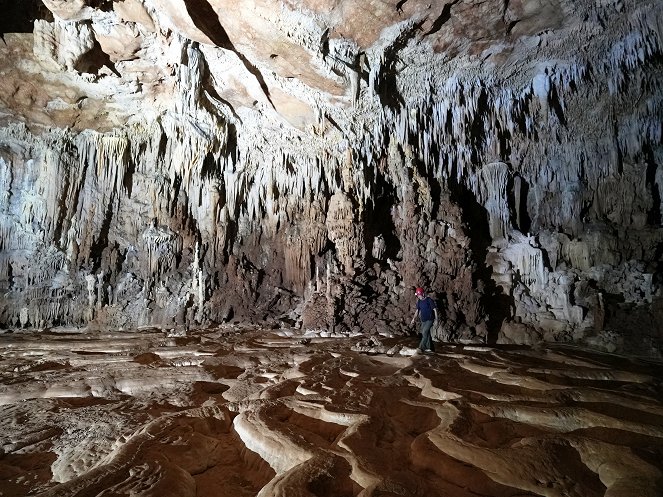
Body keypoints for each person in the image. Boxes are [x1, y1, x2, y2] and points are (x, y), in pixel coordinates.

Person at [410, 287, 438, 353]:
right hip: (423, 320)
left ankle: (421, 347)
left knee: (425, 332)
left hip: (430, 319)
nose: (419, 297)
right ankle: (431, 348)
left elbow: (434, 309)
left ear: (423, 294)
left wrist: (436, 319)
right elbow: (417, 311)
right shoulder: (419, 301)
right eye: (418, 296)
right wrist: (413, 319)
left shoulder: (429, 300)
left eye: (419, 295)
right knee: (426, 333)